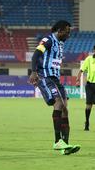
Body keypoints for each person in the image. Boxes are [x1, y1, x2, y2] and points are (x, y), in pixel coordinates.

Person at [28, 20, 80, 155]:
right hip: (45, 76)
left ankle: (65, 146)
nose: (69, 34)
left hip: (56, 79)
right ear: (60, 30)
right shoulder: (48, 40)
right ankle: (57, 141)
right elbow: (36, 55)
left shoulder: (61, 43)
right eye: (67, 32)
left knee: (65, 109)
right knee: (58, 103)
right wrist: (33, 72)